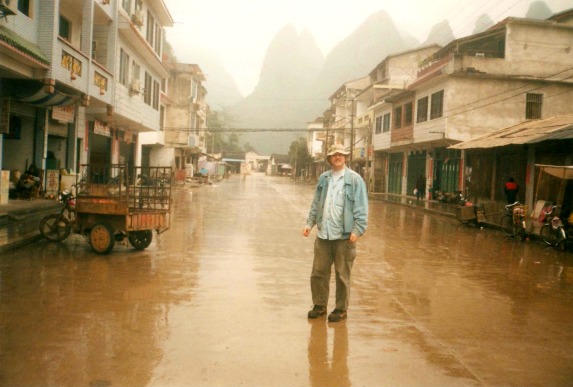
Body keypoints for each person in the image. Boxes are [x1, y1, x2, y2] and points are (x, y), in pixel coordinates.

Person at [302, 144, 368, 322]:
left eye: (341, 154)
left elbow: (361, 208)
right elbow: (316, 203)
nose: (337, 157)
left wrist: (358, 230)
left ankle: (340, 308)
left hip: (344, 237)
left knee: (342, 275)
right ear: (329, 159)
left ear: (345, 158)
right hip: (324, 235)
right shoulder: (324, 178)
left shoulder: (355, 180)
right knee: (318, 272)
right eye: (334, 155)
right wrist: (310, 223)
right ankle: (319, 305)